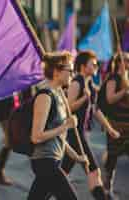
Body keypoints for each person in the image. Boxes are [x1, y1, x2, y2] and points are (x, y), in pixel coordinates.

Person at [28, 51, 88, 200]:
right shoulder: (45, 96)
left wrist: (76, 156)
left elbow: (59, 136)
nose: (72, 75)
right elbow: (36, 136)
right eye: (70, 70)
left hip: (54, 159)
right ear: (56, 72)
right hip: (44, 161)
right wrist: (65, 126)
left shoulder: (59, 94)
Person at [61, 51, 120, 200]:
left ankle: (45, 192)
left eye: (96, 64)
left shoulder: (90, 85)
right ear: (82, 66)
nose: (96, 66)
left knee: (63, 172)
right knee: (93, 170)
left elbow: (95, 110)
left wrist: (109, 129)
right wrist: (83, 98)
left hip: (82, 133)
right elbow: (68, 108)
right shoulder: (76, 82)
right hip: (74, 133)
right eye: (92, 64)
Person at [98, 52, 129, 199]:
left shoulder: (126, 79)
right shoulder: (114, 79)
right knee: (113, 158)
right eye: (127, 61)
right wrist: (124, 91)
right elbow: (110, 99)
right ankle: (106, 189)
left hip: (127, 125)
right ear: (120, 63)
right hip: (116, 125)